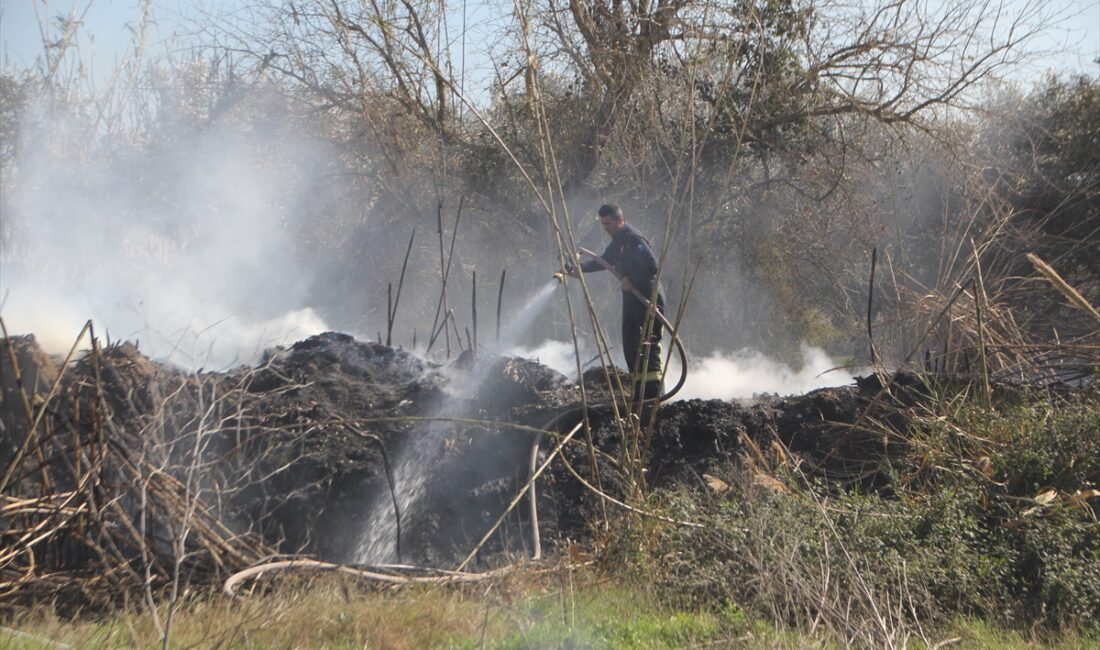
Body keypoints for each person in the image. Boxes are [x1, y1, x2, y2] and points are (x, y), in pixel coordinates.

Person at [569, 204, 666, 400]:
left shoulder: (633, 239)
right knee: (631, 342)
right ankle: (639, 392)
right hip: (632, 297)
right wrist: (578, 269)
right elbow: (604, 261)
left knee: (648, 342)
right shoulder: (618, 241)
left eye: (609, 223)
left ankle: (654, 394)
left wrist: (632, 280)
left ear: (620, 221)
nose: (606, 228)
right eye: (603, 224)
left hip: (647, 296)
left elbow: (652, 266)